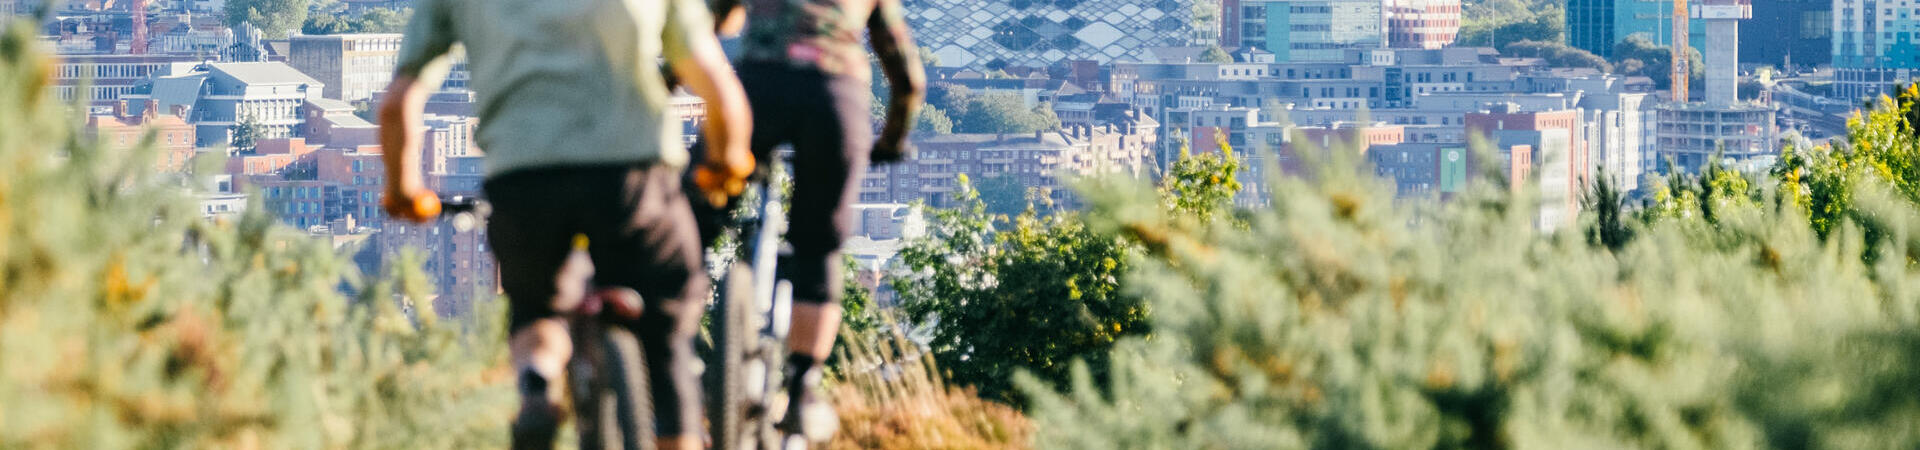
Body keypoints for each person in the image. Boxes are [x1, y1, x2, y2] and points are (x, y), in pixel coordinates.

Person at [377, 0, 755, 447]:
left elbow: (399, 102)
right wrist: (728, 162)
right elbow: (716, 85)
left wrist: (403, 190)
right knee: (666, 327)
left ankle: (536, 382)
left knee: (538, 307)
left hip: (523, 178)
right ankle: (677, 432)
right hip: (633, 177)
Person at [700, 0, 925, 442]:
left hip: (759, 90)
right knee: (819, 245)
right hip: (834, 96)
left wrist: (665, 82)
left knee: (695, 213)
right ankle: (803, 389)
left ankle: (676, 344)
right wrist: (892, 140)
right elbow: (906, 75)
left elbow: (701, 26)